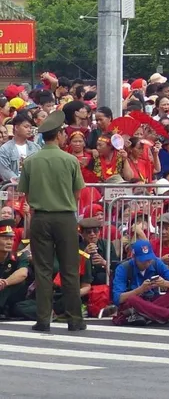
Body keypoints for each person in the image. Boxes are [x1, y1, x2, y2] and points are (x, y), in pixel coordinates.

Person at [18, 110, 86, 332]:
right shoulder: (70, 160)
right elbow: (77, 193)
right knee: (69, 270)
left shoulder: (30, 161)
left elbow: (25, 195)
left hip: (41, 218)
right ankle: (75, 319)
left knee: (43, 270)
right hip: (65, 217)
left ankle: (43, 319)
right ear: (58, 135)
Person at [111, 240, 169, 327]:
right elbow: (118, 299)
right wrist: (140, 289)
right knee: (132, 299)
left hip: (152, 300)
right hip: (134, 304)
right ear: (134, 257)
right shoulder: (123, 268)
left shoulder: (156, 262)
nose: (147, 262)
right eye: (143, 260)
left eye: (149, 259)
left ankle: (144, 315)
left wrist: (165, 283)